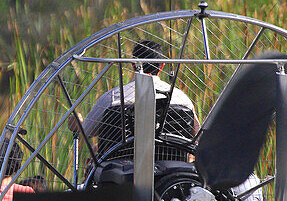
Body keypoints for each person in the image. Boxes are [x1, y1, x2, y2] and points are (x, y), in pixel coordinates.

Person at [70, 39, 201, 152]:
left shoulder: (112, 98)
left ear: (133, 64)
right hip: (171, 170)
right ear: (162, 66)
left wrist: (77, 123)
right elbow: (196, 137)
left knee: (96, 149)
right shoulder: (181, 99)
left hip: (120, 169)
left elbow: (87, 131)